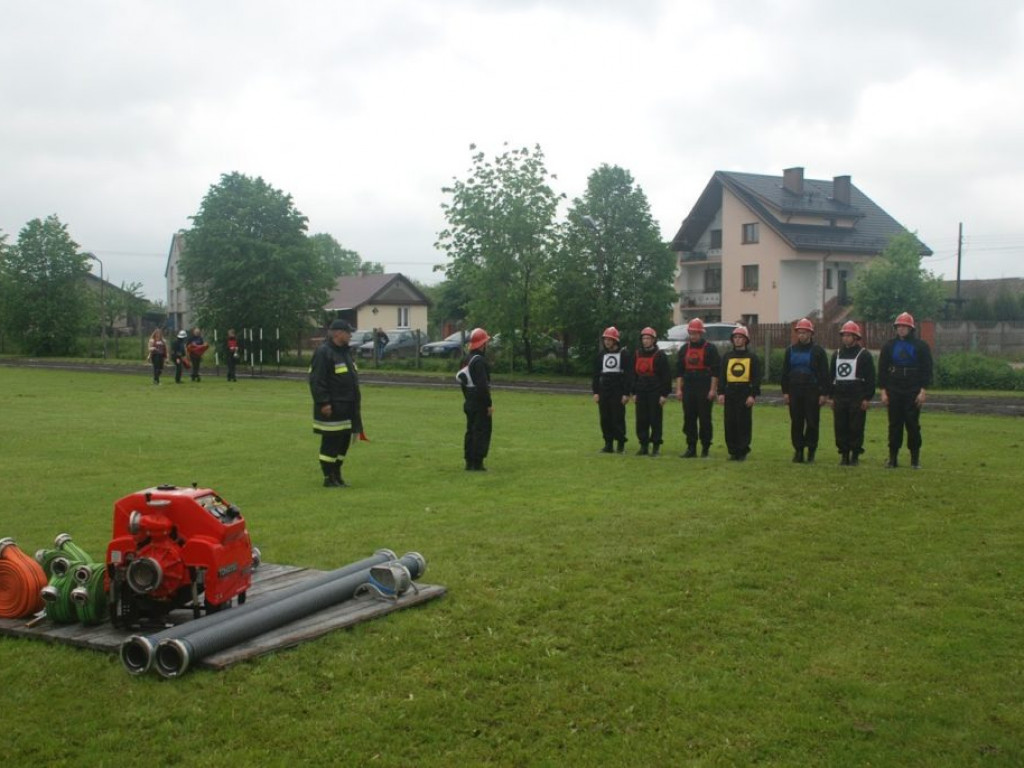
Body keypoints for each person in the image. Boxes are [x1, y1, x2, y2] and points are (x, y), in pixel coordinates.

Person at [309, 319, 363, 487]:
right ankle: (328, 476)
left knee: (343, 441)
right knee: (331, 442)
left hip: (348, 407)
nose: (350, 335)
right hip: (332, 407)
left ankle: (337, 472)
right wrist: (324, 403)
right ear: (338, 333)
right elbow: (317, 381)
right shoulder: (324, 352)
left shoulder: (345, 352)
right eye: (348, 332)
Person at [878, 311, 933, 469]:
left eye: (905, 326)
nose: (901, 329)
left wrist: (923, 390)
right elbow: (882, 369)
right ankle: (893, 458)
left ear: (911, 329)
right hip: (894, 387)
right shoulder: (889, 346)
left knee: (912, 424)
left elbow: (926, 369)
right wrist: (883, 391)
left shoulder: (921, 346)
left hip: (913, 388)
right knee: (894, 424)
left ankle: (915, 459)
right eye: (899, 326)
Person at [780, 318, 830, 463]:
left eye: (804, 332)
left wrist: (824, 393)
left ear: (810, 333)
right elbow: (785, 372)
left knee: (812, 422)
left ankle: (811, 451)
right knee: (796, 422)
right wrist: (785, 392)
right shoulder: (790, 350)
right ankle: (798, 450)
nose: (801, 335)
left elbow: (824, 373)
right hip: (794, 391)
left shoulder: (818, 351)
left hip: (812, 391)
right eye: (799, 332)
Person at [829, 321, 875, 466]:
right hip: (840, 394)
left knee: (856, 426)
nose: (846, 338)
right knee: (840, 425)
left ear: (856, 337)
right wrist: (831, 397)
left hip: (857, 395)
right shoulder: (836, 354)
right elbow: (831, 377)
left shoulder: (864, 355)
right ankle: (844, 454)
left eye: (849, 335)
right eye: (844, 335)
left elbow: (871, 378)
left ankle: (855, 454)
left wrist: (867, 398)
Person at [674, 318, 720, 458]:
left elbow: (715, 371)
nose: (693, 335)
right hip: (689, 385)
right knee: (689, 418)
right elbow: (679, 372)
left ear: (701, 333)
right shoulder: (684, 349)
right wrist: (678, 389)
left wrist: (712, 390)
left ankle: (705, 447)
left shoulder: (710, 349)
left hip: (704, 385)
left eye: (696, 333)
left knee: (705, 418)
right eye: (691, 333)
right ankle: (691, 447)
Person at [717, 325, 761, 461]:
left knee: (743, 423)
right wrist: (721, 393)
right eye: (735, 337)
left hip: (744, 393)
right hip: (730, 392)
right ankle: (733, 451)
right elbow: (722, 376)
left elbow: (756, 378)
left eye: (740, 337)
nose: (737, 340)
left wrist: (752, 395)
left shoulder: (752, 357)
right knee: (730, 422)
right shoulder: (727, 357)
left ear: (746, 340)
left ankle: (742, 451)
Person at [631, 327, 672, 456]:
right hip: (641, 391)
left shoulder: (660, 355)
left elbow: (666, 376)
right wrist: (634, 392)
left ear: (653, 340)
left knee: (655, 419)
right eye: (644, 338)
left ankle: (656, 446)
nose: (645, 341)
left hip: (655, 392)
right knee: (641, 420)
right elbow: (633, 375)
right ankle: (643, 445)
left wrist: (664, 394)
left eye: (648, 338)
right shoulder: (637, 354)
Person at [591, 326, 632, 454]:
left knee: (618, 418)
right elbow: (596, 375)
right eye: (606, 339)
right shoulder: (601, 355)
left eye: (610, 339)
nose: (607, 342)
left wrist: (626, 393)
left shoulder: (624, 355)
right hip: (604, 390)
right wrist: (596, 392)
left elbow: (628, 375)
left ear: (615, 341)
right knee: (605, 418)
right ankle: (608, 444)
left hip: (618, 391)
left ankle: (620, 444)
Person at [457, 327, 493, 471]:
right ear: (482, 344)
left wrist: (467, 398)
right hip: (479, 401)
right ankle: (478, 463)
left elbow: (463, 381)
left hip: (469, 399)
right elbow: (483, 386)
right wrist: (488, 404)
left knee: (470, 430)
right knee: (482, 430)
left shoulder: (465, 360)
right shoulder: (479, 362)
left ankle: (469, 461)